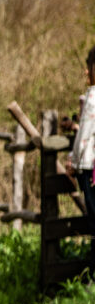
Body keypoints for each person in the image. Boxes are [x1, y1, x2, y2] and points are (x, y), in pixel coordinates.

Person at [66, 46, 95, 266]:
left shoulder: (93, 97)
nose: (86, 71)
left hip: (91, 170)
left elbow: (85, 136)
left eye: (89, 66)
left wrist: (72, 162)